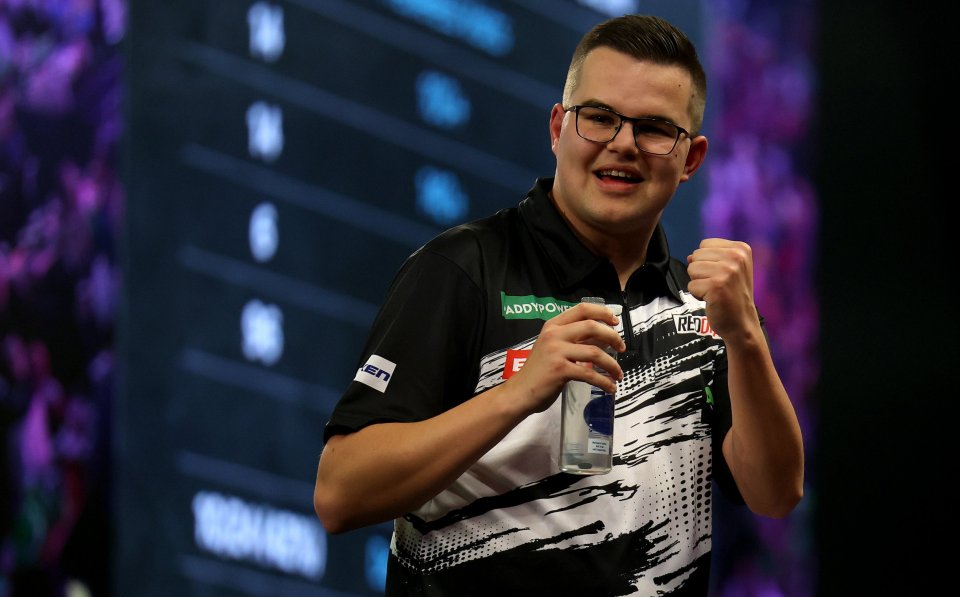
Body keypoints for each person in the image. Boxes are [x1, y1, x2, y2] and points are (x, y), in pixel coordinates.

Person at [313, 14, 803, 596]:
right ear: (558, 127)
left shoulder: (710, 309)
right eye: (599, 117)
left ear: (691, 158)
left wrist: (746, 334)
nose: (623, 144)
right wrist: (518, 392)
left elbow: (774, 494)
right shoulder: (463, 269)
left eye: (652, 128)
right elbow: (341, 493)